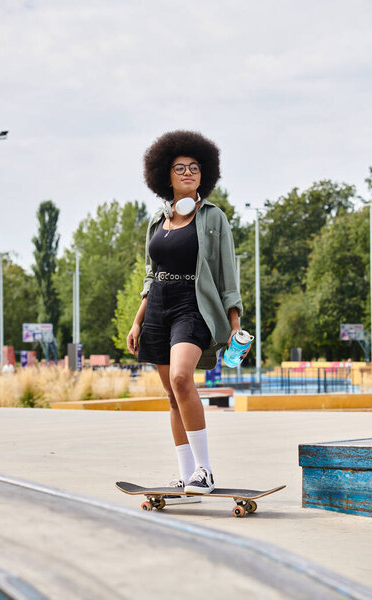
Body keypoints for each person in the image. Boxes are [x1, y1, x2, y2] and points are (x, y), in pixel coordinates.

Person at [127, 130, 250, 497]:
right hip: (159, 307)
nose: (187, 173)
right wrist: (137, 319)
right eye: (179, 168)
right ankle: (185, 474)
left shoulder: (214, 219)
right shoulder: (157, 221)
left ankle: (205, 471)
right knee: (170, 395)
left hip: (193, 306)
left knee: (182, 379)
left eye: (194, 168)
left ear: (204, 174)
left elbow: (228, 277)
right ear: (165, 175)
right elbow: (152, 274)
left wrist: (234, 327)